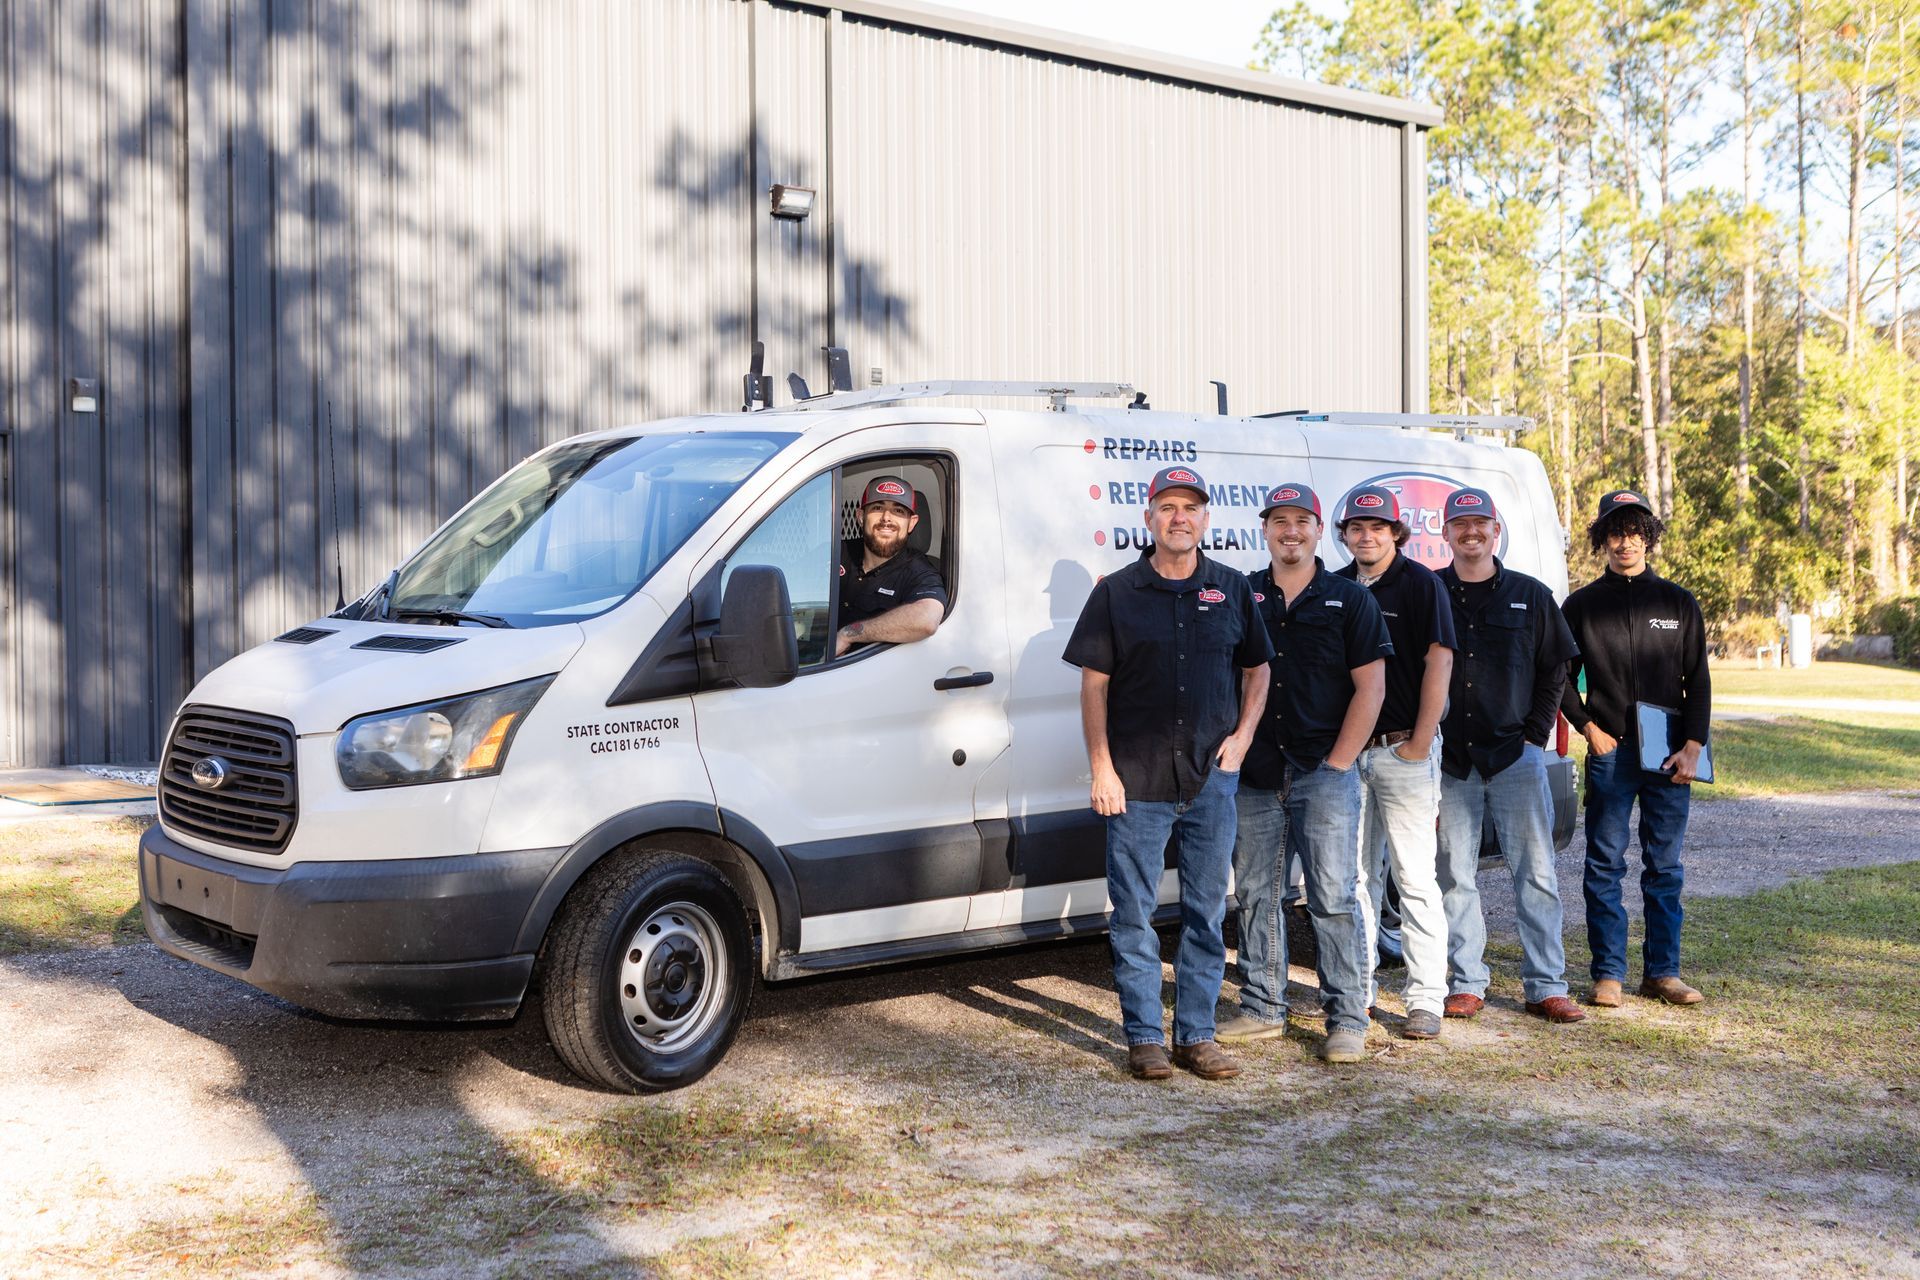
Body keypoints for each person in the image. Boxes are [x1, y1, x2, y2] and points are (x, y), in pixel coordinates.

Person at [1065, 466, 1273, 1082]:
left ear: (1206, 520)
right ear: (1148, 518)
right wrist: (1101, 768)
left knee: (1207, 912)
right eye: (1167, 507)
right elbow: (1093, 686)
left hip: (1212, 781)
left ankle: (1197, 1036)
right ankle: (1145, 1038)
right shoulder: (1116, 593)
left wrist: (1243, 738)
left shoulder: (1232, 589)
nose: (1179, 517)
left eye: (1190, 508)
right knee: (1133, 915)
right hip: (1135, 781)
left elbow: (1257, 670)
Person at [1216, 482, 1389, 1065]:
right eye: (1279, 520)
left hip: (1324, 772)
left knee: (1333, 897)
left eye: (1302, 521)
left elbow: (1372, 688)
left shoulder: (1351, 599)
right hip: (1258, 772)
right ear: (1264, 529)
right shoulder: (1239, 594)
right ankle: (1264, 1006)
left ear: (1320, 530)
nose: (1290, 531)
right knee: (1258, 894)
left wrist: (1341, 761)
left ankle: (1346, 1017)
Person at [1434, 487, 1586, 1024]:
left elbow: (1556, 669)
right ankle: (1466, 981)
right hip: (1449, 758)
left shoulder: (1531, 595)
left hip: (1515, 757)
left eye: (1481, 523)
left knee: (1536, 872)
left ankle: (1546, 985)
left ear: (1496, 531)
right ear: (1445, 533)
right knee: (1454, 875)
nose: (1471, 533)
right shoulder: (1430, 592)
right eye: (1460, 524)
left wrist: (1536, 735)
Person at [1560, 488, 1712, 1008]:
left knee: (1664, 867)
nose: (1624, 543)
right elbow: (1558, 678)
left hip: (1670, 754)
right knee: (1604, 864)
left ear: (1648, 536)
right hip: (1612, 753)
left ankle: (1662, 973)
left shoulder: (1678, 602)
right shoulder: (1580, 605)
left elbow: (1700, 680)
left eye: (1633, 532)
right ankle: (1608, 975)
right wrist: (1588, 728)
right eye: (1614, 533)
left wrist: (1693, 746)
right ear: (1601, 539)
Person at [1332, 484, 1455, 1041]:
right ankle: (1358, 991)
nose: (1366, 536)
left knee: (1414, 877)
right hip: (1349, 754)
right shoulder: (1333, 588)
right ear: (1345, 535)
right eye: (1356, 528)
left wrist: (1421, 741)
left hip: (1404, 751)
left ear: (1396, 533)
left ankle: (1426, 997)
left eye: (1377, 528)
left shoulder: (1422, 584)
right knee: (1354, 876)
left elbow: (1439, 663)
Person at [835, 476, 949, 655]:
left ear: (911, 523)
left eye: (898, 511)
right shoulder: (836, 553)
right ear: (860, 516)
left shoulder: (919, 571)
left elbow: (927, 619)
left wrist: (848, 634)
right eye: (878, 507)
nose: (886, 518)